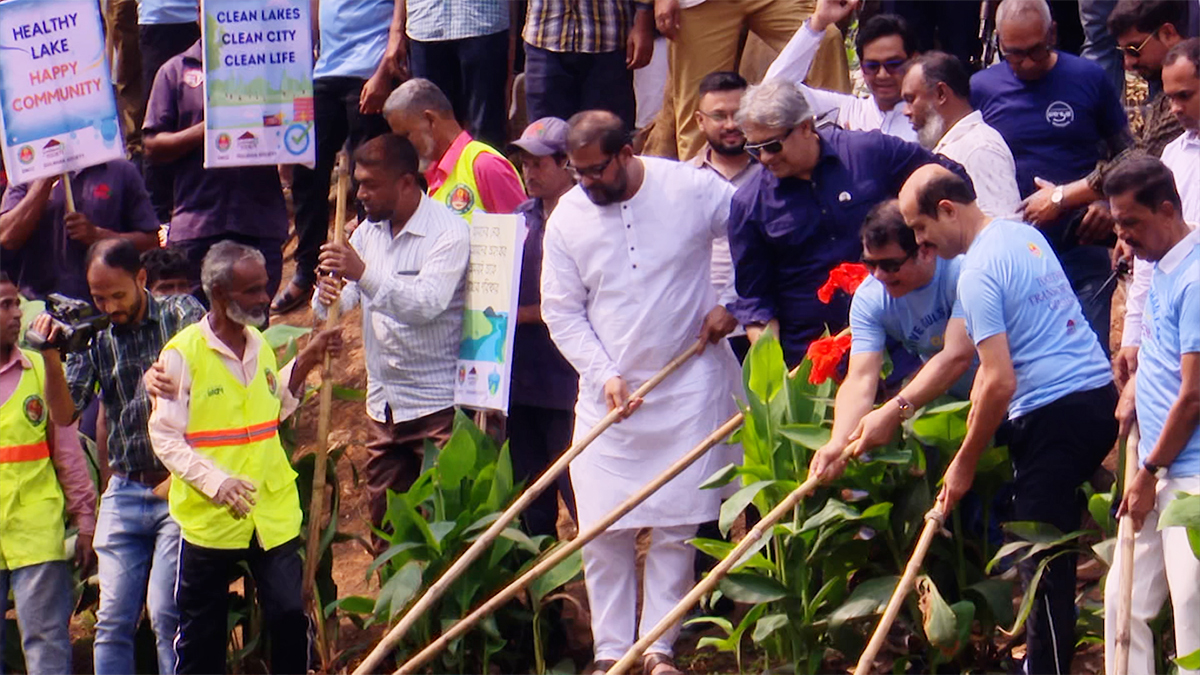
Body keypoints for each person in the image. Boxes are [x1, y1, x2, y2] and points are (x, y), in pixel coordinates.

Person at [540, 110, 742, 675]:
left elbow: (753, 229)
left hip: (688, 380)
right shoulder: (568, 217)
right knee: (602, 526)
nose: (585, 182)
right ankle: (610, 652)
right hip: (608, 393)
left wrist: (732, 301)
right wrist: (603, 372)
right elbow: (561, 310)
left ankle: (657, 648)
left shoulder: (691, 187)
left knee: (677, 525)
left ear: (626, 153)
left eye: (595, 170)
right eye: (576, 171)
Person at [899, 165, 1118, 675]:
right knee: (1051, 544)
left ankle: (1046, 667)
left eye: (920, 227)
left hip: (1051, 414)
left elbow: (999, 382)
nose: (920, 241)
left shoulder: (976, 272)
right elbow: (998, 355)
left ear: (947, 210)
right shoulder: (1021, 235)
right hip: (1095, 397)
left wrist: (964, 462)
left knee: (1042, 564)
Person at [146, 242, 340, 675]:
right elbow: (165, 437)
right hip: (211, 520)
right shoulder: (182, 355)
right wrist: (217, 483)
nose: (264, 298)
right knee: (201, 635)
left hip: (270, 512)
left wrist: (307, 360)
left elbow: (272, 408)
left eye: (264, 286)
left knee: (290, 616)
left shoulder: (260, 346)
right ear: (218, 294)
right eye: (251, 290)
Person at [32, 240, 202, 675]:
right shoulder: (94, 336)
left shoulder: (180, 313)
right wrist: (50, 355)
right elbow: (64, 414)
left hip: (178, 483)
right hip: (125, 488)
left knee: (166, 612)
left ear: (141, 278)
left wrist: (172, 375)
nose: (109, 307)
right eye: (99, 297)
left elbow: (205, 367)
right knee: (111, 620)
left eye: (117, 295)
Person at [727, 79, 968, 366]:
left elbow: (950, 181)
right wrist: (774, 370)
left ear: (805, 126)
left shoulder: (869, 153)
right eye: (755, 149)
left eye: (773, 146)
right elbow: (756, 302)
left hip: (907, 337)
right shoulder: (750, 203)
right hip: (817, 358)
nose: (765, 158)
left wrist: (926, 239)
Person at [314, 135, 470, 538]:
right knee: (386, 528)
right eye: (358, 183)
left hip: (437, 408)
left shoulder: (449, 233)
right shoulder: (367, 232)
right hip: (383, 408)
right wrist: (327, 290)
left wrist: (362, 272)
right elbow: (336, 305)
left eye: (370, 184)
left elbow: (426, 304)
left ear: (405, 182)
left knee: (444, 528)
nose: (360, 194)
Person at [971, 0, 1133, 352]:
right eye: (1014, 55)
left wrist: (1107, 203)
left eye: (1036, 51)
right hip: (1016, 254)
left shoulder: (1088, 78)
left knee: (1089, 354)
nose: (1027, 63)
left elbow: (1128, 156)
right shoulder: (982, 88)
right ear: (999, 43)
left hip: (1082, 239)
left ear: (1053, 34)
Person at [1103, 156, 1200, 675]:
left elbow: (1195, 396)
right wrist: (1137, 390)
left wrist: (1147, 471)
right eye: (1117, 224)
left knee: (1192, 618)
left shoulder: (1196, 279)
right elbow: (1162, 353)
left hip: (1188, 477)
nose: (1123, 237)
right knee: (1123, 604)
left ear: (1166, 210)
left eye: (1130, 223)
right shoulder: (1162, 264)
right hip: (1157, 467)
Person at [808, 200, 975, 481]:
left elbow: (956, 356)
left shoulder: (961, 270)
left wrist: (896, 410)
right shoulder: (870, 298)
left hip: (1015, 388)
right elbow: (861, 379)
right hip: (956, 402)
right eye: (870, 263)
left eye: (890, 265)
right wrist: (839, 442)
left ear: (924, 250)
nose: (878, 275)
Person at [0, 272, 96, 675]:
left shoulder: (41, 370)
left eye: (16, 303)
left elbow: (68, 453)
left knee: (46, 647)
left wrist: (86, 518)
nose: (16, 314)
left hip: (36, 532)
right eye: (4, 305)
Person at [143, 39, 288, 304]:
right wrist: (210, 128)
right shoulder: (174, 71)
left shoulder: (274, 63)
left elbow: (297, 129)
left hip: (258, 222)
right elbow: (152, 146)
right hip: (197, 225)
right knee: (193, 321)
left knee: (253, 321)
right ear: (197, 16)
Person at [274, 0, 396, 315]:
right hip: (323, 71)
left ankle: (368, 267)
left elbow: (402, 10)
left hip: (369, 69)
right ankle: (308, 269)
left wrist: (386, 68)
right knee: (306, 168)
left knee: (367, 173)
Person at [651, 0, 851, 160]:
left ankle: (842, 149)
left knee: (827, 38)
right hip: (700, 5)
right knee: (701, 105)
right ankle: (699, 185)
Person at [507, 117, 580, 537]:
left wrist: (523, 314)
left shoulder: (588, 215)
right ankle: (542, 578)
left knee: (577, 487)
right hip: (522, 380)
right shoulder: (519, 219)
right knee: (531, 500)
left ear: (565, 162)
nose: (529, 173)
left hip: (568, 380)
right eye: (524, 164)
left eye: (538, 164)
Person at [1116, 35, 1200, 388]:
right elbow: (1148, 258)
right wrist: (1133, 333)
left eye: (1185, 96)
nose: (1175, 108)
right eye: (1169, 97)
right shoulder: (1173, 155)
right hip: (1167, 325)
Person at [0, 160, 159, 302]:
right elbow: (7, 237)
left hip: (105, 306)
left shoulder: (120, 170)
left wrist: (99, 236)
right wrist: (43, 181)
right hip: (39, 307)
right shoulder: (24, 173)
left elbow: (151, 242)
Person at [766, 0, 918, 142]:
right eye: (872, 66)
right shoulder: (847, 110)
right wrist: (818, 23)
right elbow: (773, 91)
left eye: (893, 64)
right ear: (862, 68)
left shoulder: (927, 118)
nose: (882, 74)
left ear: (913, 61)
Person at [383, 79, 526, 222]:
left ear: (430, 120)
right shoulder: (433, 175)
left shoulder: (483, 164)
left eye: (406, 135)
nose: (405, 146)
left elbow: (523, 230)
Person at [900, 51, 1021, 219]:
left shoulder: (980, 148)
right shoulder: (962, 145)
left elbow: (1004, 224)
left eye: (911, 99)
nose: (905, 111)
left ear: (941, 93)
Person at [689, 71, 759, 359]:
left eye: (739, 114)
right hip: (698, 329)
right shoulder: (684, 181)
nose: (731, 124)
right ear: (699, 120)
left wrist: (734, 304)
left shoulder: (775, 173)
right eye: (719, 116)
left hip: (761, 323)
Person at [522, 0, 655, 130]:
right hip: (545, 34)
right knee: (545, 134)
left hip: (608, 38)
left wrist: (644, 21)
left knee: (606, 135)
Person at [400, 0, 511, 149]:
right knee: (431, 132)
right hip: (426, 22)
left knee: (485, 131)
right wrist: (396, 30)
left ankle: (483, 165)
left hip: (483, 23)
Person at [137, 0, 201, 223]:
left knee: (198, 112)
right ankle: (158, 218)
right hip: (160, 18)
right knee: (158, 120)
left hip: (210, 19)